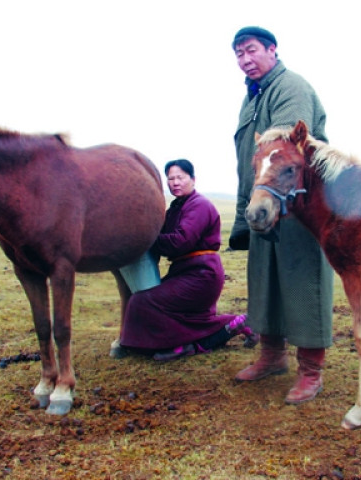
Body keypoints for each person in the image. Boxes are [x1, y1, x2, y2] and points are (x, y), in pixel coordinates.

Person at [230, 26, 335, 404]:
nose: (245, 59)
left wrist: (269, 199)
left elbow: (283, 145)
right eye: (239, 53)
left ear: (272, 50)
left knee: (303, 280)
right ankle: (272, 356)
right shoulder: (252, 98)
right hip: (264, 199)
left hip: (296, 203)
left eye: (252, 50)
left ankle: (311, 370)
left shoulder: (291, 87)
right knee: (266, 278)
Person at [110, 159, 257, 362]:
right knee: (182, 314)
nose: (175, 182)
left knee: (142, 301)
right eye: (170, 179)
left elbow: (180, 242)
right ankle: (237, 323)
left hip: (201, 275)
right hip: (187, 272)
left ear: (193, 179)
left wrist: (145, 237)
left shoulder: (199, 205)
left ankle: (182, 346)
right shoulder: (175, 209)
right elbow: (160, 231)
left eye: (180, 177)